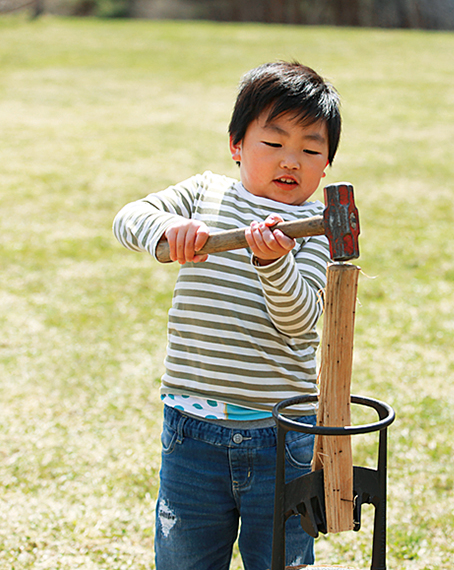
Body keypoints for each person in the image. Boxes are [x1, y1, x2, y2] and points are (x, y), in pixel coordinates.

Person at [112, 61, 341, 570]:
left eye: (310, 149)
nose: (291, 160)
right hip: (191, 431)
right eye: (274, 142)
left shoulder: (314, 229)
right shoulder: (204, 194)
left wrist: (273, 263)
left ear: (326, 165)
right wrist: (169, 231)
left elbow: (302, 323)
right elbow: (127, 218)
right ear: (236, 144)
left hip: (281, 438)